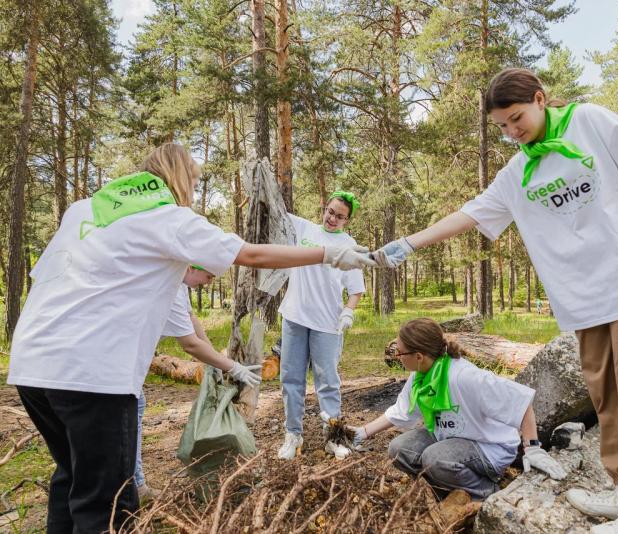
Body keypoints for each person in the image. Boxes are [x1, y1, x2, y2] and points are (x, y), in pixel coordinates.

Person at [370, 69, 618, 533]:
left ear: (540, 99)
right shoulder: (519, 170)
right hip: (587, 298)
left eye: (516, 118)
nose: (511, 131)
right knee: (605, 395)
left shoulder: (590, 122)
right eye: (502, 126)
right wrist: (408, 243)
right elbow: (470, 213)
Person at [6, 143, 374, 533]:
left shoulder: (83, 209)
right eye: (195, 182)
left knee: (71, 478)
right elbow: (251, 255)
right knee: (108, 500)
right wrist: (329, 256)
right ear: (180, 179)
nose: (195, 192)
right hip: (93, 377)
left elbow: (45, 278)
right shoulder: (169, 218)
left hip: (32, 366)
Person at [349, 318, 565, 500]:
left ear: (418, 356)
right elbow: (400, 411)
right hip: (452, 436)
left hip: (488, 446)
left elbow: (520, 403)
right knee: (399, 449)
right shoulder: (421, 378)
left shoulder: (464, 377)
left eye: (400, 353)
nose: (397, 357)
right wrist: (362, 432)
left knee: (435, 458)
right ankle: (447, 491)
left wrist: (533, 447)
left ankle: (485, 494)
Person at [277, 191, 365, 461]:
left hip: (327, 323)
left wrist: (348, 311)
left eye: (340, 216)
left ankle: (333, 437)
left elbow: (356, 290)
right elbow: (273, 209)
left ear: (346, 221)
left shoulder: (350, 247)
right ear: (324, 208)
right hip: (294, 316)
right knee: (291, 379)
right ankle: (293, 435)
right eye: (330, 211)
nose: (332, 218)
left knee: (327, 381)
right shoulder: (304, 228)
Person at [135, 265, 232, 502]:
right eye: (208, 276)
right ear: (191, 267)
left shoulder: (180, 284)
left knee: (136, 407)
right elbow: (189, 344)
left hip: (130, 364)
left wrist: (214, 354)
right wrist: (229, 366)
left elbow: (191, 319)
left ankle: (136, 485)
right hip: (115, 363)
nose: (209, 283)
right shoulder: (171, 285)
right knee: (128, 416)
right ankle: (129, 490)